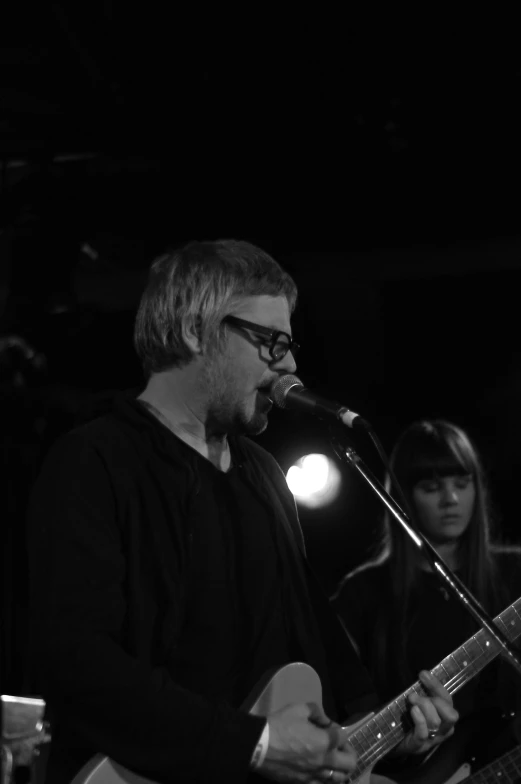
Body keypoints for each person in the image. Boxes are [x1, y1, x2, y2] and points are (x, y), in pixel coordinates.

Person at [27, 240, 457, 784]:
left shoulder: (263, 475)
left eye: (291, 344)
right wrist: (251, 746)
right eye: (271, 342)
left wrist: (388, 733)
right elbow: (75, 659)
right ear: (192, 330)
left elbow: (315, 654)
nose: (292, 364)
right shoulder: (94, 461)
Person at [332, 419, 521, 781]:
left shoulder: (513, 572)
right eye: (432, 487)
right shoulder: (362, 592)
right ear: (403, 495)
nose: (450, 499)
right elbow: (341, 716)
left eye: (462, 484)